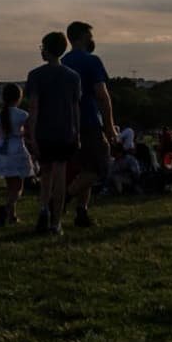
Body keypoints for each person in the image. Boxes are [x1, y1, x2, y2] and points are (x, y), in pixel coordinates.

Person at [61, 21, 119, 229]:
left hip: (68, 124)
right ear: (82, 37)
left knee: (84, 168)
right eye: (89, 35)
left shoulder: (63, 62)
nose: (92, 39)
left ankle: (82, 212)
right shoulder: (92, 61)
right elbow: (102, 96)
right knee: (100, 166)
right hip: (89, 121)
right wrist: (110, 126)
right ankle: (62, 198)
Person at [26, 31, 82, 235]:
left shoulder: (35, 75)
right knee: (60, 176)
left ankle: (43, 209)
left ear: (47, 50)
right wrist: (77, 133)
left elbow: (34, 108)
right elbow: (76, 107)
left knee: (46, 175)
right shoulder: (73, 77)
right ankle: (56, 221)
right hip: (66, 132)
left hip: (44, 132)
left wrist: (32, 135)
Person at [0, 84, 34, 226]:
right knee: (18, 187)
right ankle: (7, 208)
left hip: (1, 149)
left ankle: (12, 215)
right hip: (16, 149)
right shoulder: (22, 114)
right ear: (19, 97)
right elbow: (29, 133)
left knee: (10, 185)